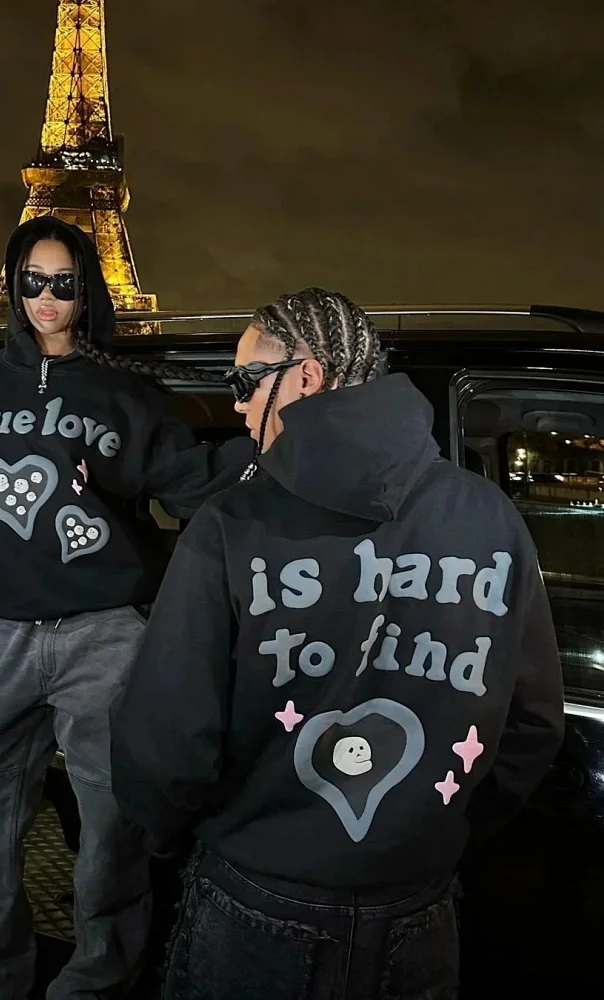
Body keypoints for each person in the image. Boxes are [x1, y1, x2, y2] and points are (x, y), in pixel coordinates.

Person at [110, 288, 565, 1000]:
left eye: (244, 381)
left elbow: (165, 737)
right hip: (418, 905)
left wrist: (188, 838)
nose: (237, 406)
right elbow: (532, 722)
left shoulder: (231, 524)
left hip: (257, 897)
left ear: (306, 377)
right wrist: (436, 828)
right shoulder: (490, 517)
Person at [0, 215, 252, 1000]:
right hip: (6, 637)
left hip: (105, 635)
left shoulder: (122, 392)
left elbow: (192, 485)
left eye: (64, 282)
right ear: (13, 284)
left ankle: (96, 984)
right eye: (32, 281)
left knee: (113, 828)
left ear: (87, 290)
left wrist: (278, 441)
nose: (47, 297)